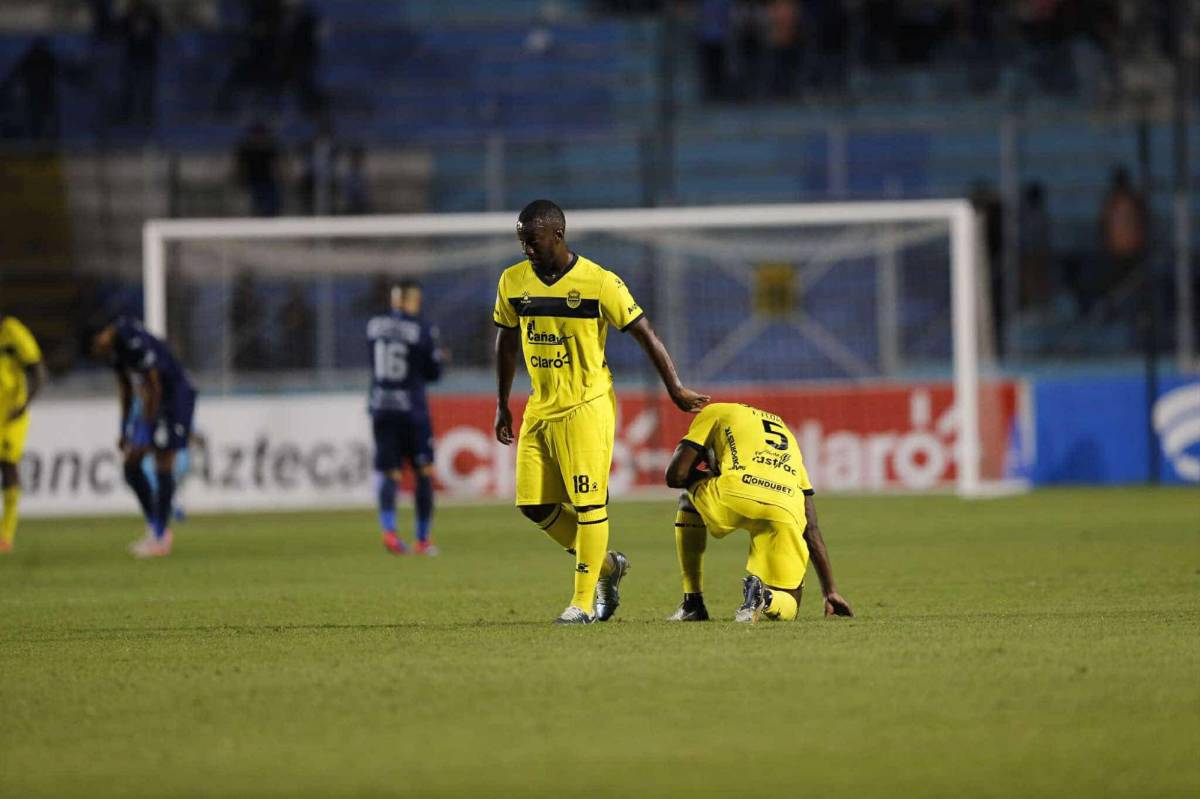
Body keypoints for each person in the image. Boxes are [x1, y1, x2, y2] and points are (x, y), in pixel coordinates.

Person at [493, 200, 710, 624]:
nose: (526, 249)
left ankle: (581, 602)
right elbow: (505, 340)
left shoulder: (598, 282)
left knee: (590, 503)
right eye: (521, 241)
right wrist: (502, 403)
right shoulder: (512, 281)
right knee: (534, 506)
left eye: (532, 240)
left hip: (587, 405)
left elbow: (644, 333)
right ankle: (609, 566)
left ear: (556, 234)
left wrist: (675, 388)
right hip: (540, 407)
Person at [663, 402, 853, 623]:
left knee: (688, 500)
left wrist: (707, 472)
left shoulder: (714, 411)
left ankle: (693, 602)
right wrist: (830, 590)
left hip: (736, 493)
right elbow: (810, 525)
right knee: (789, 603)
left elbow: (675, 475)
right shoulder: (786, 433)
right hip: (785, 508)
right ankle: (765, 597)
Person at [91, 317, 197, 558]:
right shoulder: (115, 351)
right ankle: (156, 528)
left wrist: (147, 428)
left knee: (163, 461)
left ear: (104, 334)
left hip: (176, 397)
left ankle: (160, 537)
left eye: (99, 344)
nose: (100, 350)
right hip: (154, 399)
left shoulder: (130, 340)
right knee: (131, 465)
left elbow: (155, 384)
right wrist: (123, 429)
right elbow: (126, 390)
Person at [369, 279, 443, 556]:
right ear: (412, 300)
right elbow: (433, 372)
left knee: (390, 473)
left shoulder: (374, 326)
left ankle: (389, 532)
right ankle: (422, 540)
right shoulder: (421, 329)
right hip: (412, 410)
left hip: (381, 405)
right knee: (424, 472)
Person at [0, 314, 46, 553]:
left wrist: (24, 405)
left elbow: (38, 371)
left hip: (9, 415)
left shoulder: (13, 331)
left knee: (8, 466)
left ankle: (6, 534)